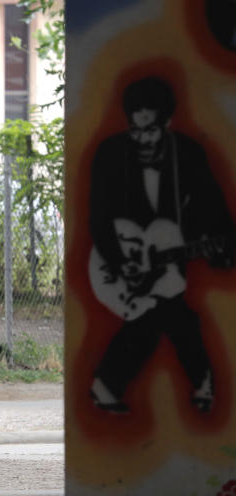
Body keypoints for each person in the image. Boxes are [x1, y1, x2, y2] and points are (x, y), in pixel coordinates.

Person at [87, 75, 235, 414]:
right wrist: (119, 261)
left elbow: (214, 211)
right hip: (114, 263)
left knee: (162, 312)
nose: (143, 140)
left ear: (167, 123)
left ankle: (106, 385)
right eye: (135, 131)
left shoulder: (188, 156)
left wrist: (220, 248)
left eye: (151, 130)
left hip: (169, 262)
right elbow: (98, 217)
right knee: (171, 315)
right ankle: (202, 382)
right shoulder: (111, 155)